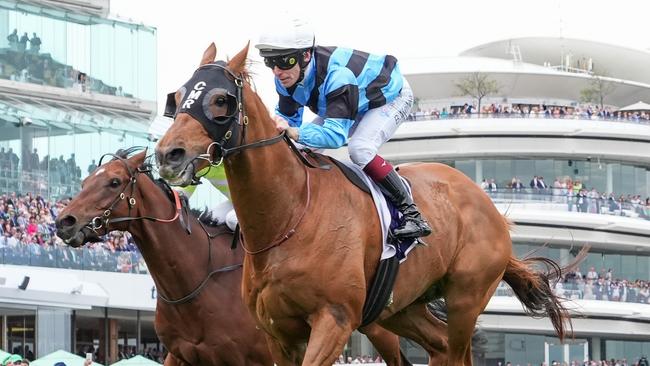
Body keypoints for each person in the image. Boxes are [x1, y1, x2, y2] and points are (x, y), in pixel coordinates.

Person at [255, 17, 431, 239]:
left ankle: (413, 214)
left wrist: (295, 132)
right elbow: (287, 120)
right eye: (270, 63)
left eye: (284, 61)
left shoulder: (338, 76)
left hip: (389, 97)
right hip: (355, 99)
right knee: (296, 146)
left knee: (360, 148)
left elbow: (336, 136)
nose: (277, 71)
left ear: (306, 55)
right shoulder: (284, 78)